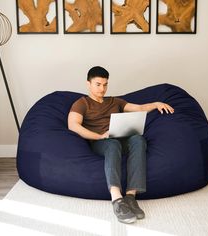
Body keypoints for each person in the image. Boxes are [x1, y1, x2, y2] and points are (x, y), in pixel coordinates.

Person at [68, 66, 174, 224]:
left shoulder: (114, 101)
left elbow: (138, 108)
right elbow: (73, 125)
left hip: (118, 138)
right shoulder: (81, 103)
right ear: (88, 84)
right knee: (112, 145)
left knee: (138, 139)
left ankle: (131, 196)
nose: (102, 88)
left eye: (105, 84)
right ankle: (117, 199)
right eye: (98, 84)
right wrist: (99, 136)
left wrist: (157, 104)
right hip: (99, 142)